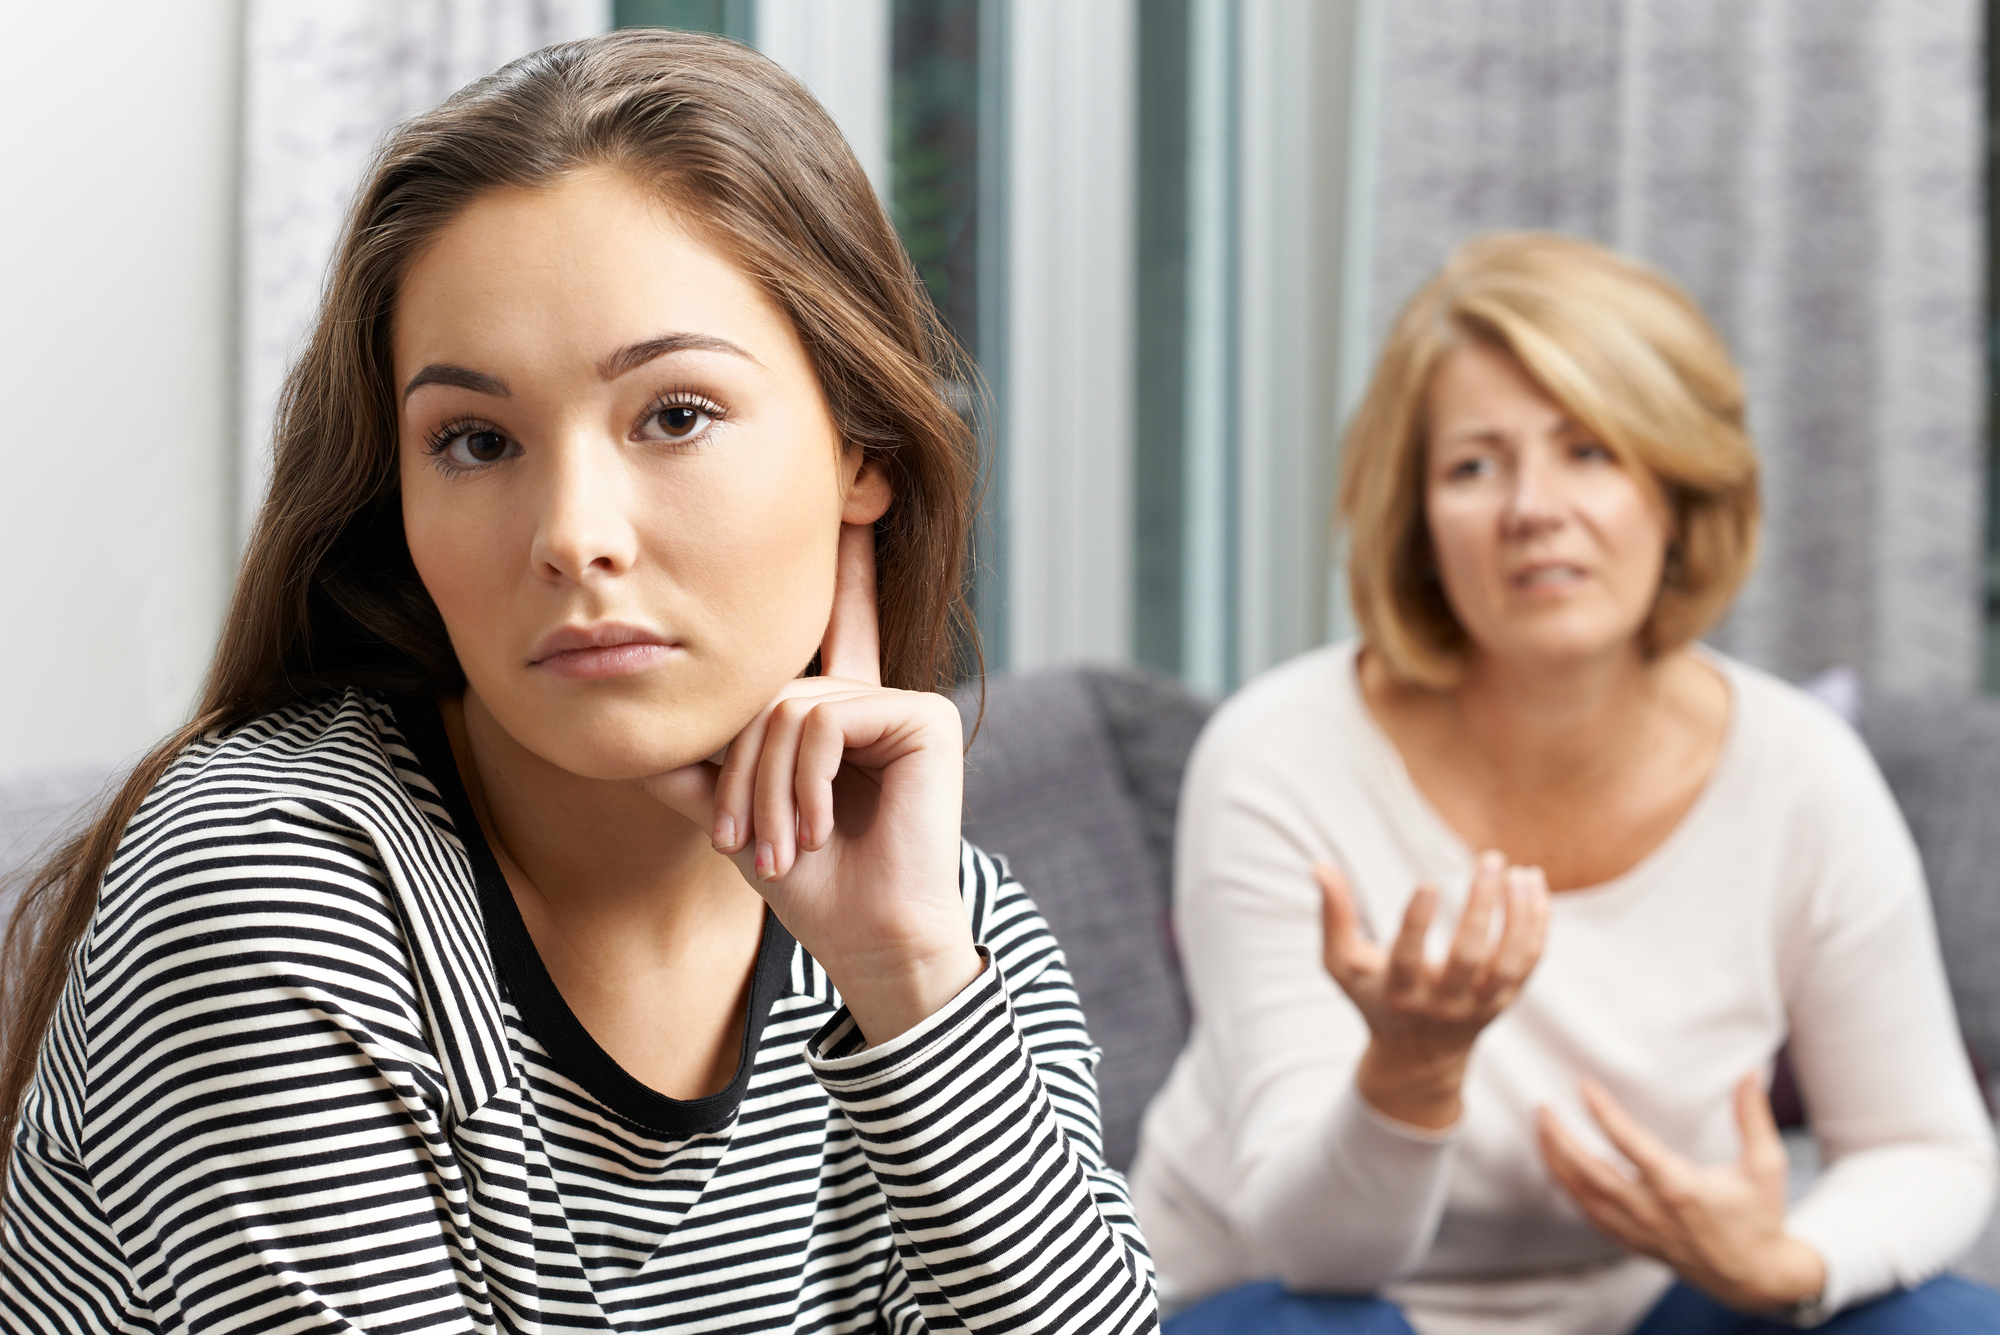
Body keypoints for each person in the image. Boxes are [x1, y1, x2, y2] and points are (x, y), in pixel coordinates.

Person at [0, 31, 1155, 1333]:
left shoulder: (941, 928)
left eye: (675, 413)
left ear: (861, 451)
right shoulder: (270, 885)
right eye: (476, 440)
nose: (572, 533)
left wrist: (903, 972)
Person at [1129, 232, 1998, 1334]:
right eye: (1473, 466)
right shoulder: (1276, 758)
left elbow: (1922, 1143)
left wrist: (1790, 1261)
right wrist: (1411, 1068)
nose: (1532, 506)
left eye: (1587, 450)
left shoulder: (1798, 772)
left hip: (1636, 1307)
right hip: (1305, 1302)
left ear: (1674, 490)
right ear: (1416, 527)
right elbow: (1318, 1253)